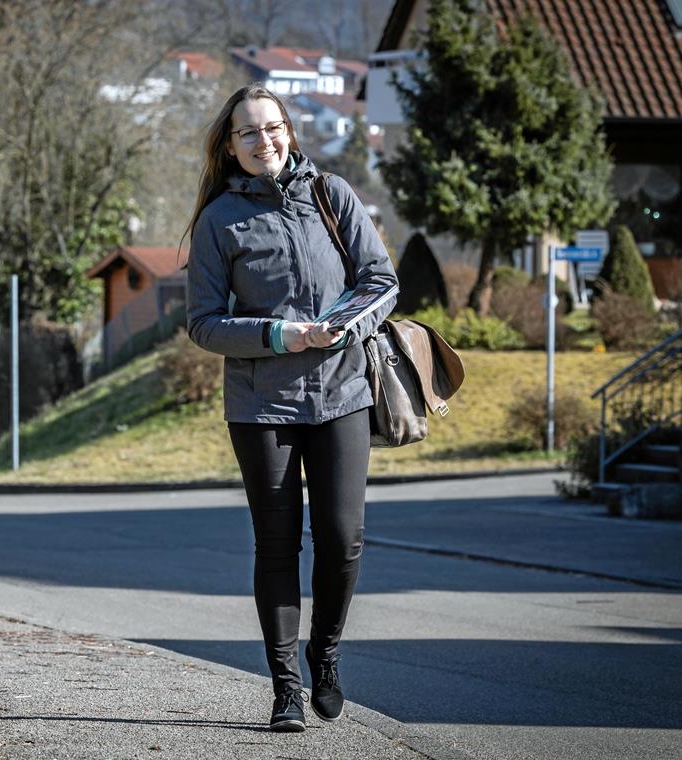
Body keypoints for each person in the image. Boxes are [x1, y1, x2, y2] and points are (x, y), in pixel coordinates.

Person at [184, 84, 398, 732]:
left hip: (341, 394)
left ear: (289, 131)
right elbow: (203, 323)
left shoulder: (332, 195)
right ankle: (284, 690)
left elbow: (380, 279)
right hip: (262, 405)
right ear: (229, 144)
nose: (263, 140)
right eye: (248, 132)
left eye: (271, 127)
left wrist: (343, 326)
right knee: (276, 546)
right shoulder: (219, 221)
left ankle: (323, 656)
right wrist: (282, 335)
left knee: (342, 539)